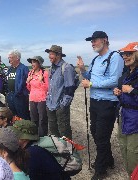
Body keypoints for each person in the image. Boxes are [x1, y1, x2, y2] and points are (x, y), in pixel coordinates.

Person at [76, 31, 124, 180]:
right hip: (95, 101)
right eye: (91, 41)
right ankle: (109, 160)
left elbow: (115, 80)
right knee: (96, 133)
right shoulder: (96, 59)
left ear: (105, 40)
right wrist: (83, 69)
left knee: (102, 136)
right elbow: (89, 77)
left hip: (108, 102)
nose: (92, 43)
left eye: (95, 40)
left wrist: (91, 83)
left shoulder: (115, 57)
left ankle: (100, 169)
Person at [113, 42, 138, 176]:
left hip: (135, 121)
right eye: (124, 54)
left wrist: (132, 90)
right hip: (123, 117)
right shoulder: (125, 75)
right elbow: (125, 98)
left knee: (134, 154)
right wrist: (118, 93)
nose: (125, 57)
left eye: (129, 54)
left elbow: (133, 94)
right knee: (124, 150)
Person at [45, 45, 76, 139]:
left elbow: (70, 89)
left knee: (64, 131)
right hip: (50, 105)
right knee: (53, 131)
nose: (49, 56)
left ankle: (68, 152)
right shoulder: (51, 68)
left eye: (51, 54)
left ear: (58, 55)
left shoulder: (66, 68)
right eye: (49, 54)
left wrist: (63, 106)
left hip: (60, 107)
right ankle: (58, 151)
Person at [26, 56, 49, 136]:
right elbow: (29, 88)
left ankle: (42, 137)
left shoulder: (44, 73)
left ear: (39, 63)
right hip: (32, 99)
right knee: (34, 119)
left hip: (42, 99)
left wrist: (41, 81)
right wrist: (28, 82)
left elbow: (47, 88)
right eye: (32, 62)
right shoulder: (30, 73)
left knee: (42, 120)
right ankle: (34, 137)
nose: (32, 64)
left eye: (34, 62)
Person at [6, 49, 30, 120]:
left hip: (20, 96)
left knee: (22, 116)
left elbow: (26, 83)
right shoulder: (10, 69)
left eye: (11, 57)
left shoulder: (23, 68)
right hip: (10, 95)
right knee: (13, 116)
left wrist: (21, 93)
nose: (9, 59)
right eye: (9, 58)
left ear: (17, 58)